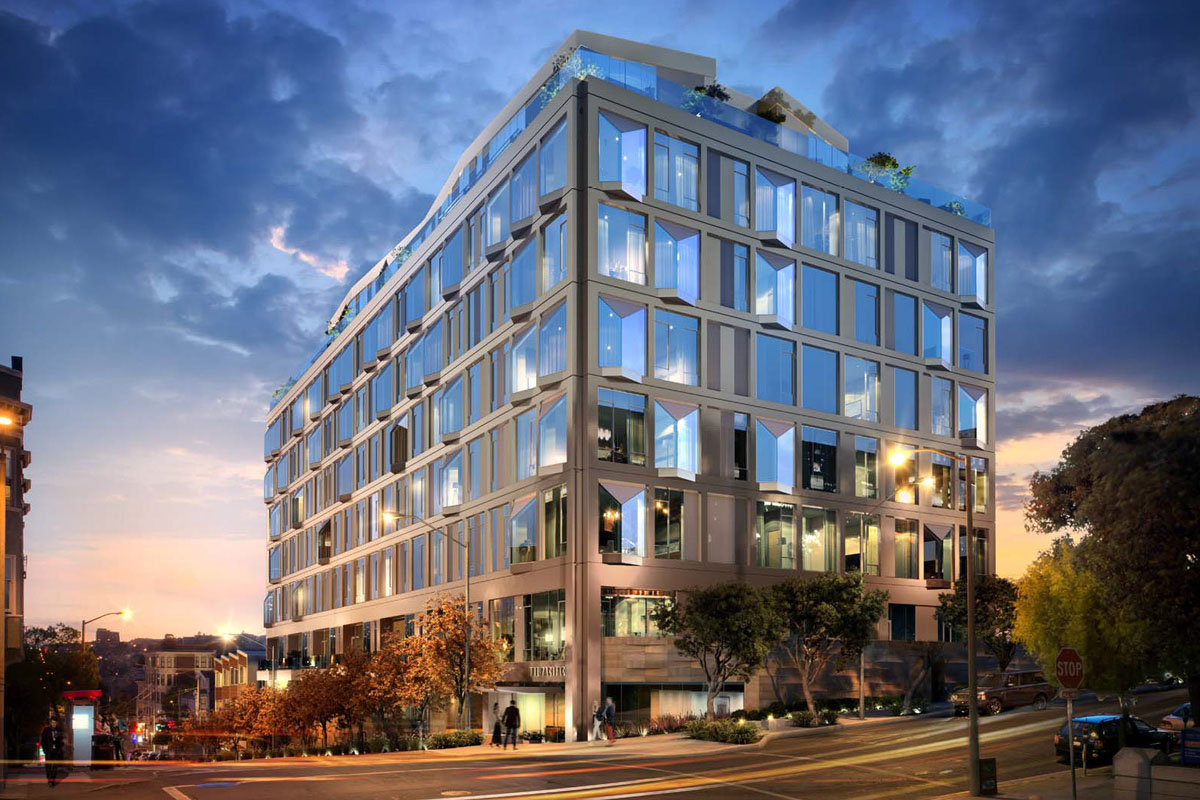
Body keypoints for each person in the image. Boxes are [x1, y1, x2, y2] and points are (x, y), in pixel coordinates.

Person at [40, 716, 66, 787]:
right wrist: (45, 750)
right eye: (52, 722)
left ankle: (53, 780)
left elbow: (61, 740)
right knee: (48, 766)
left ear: (56, 723)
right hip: (48, 751)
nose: (53, 724)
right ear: (50, 723)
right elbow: (43, 741)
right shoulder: (46, 730)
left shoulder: (59, 730)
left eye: (55, 722)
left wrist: (60, 748)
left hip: (56, 751)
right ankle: (49, 780)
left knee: (55, 766)